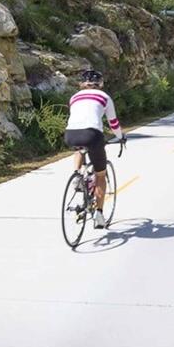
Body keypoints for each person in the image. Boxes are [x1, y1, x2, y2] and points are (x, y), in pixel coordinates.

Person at [63, 70, 124, 229]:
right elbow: (113, 123)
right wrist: (120, 137)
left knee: (79, 149)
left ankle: (77, 174)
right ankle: (99, 213)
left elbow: (79, 118)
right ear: (101, 84)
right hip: (92, 134)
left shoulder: (74, 97)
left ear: (81, 84)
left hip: (70, 134)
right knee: (100, 175)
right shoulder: (105, 97)